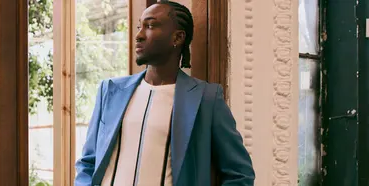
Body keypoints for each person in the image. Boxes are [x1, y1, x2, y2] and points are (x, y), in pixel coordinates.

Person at [74, 1, 255, 186]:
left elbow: (240, 174)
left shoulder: (206, 99)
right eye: (139, 26)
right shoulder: (110, 91)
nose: (139, 35)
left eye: (150, 26)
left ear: (177, 38)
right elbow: (88, 163)